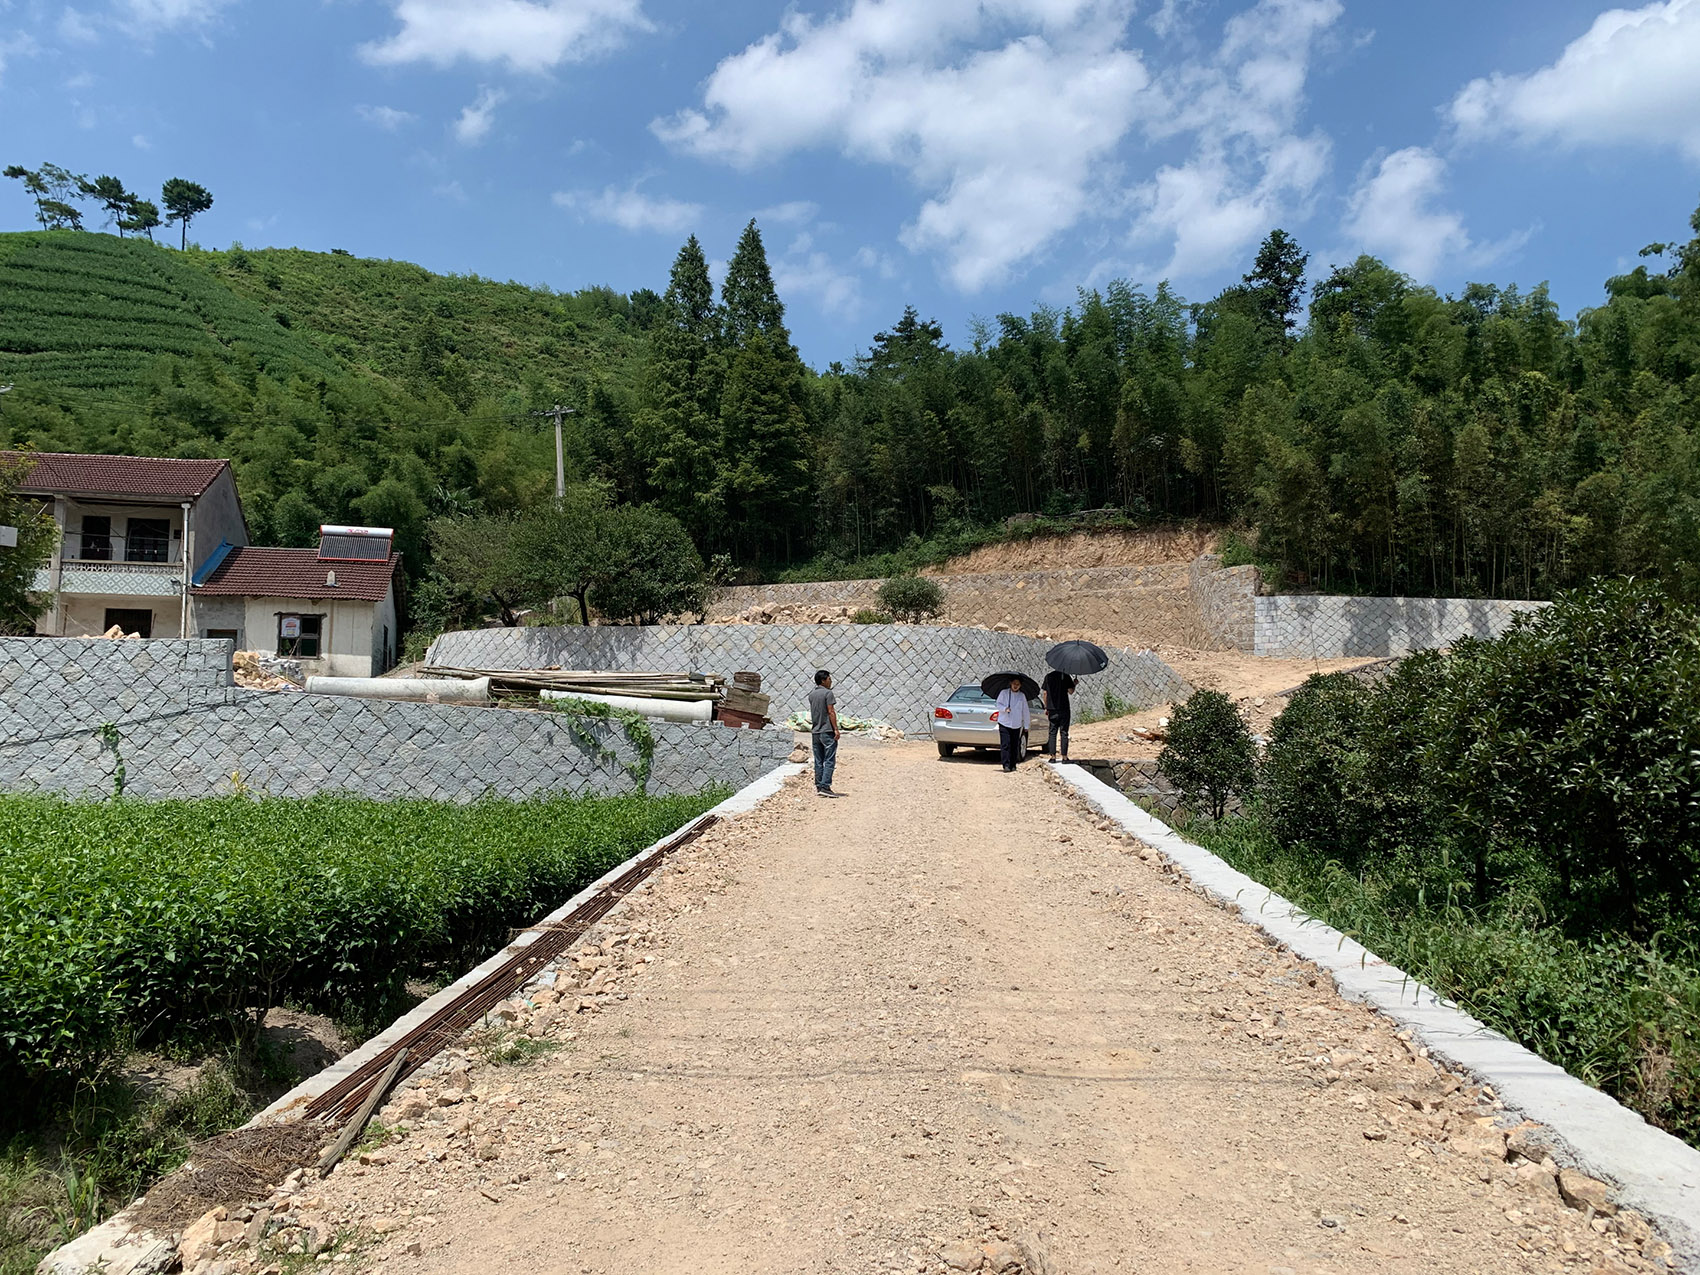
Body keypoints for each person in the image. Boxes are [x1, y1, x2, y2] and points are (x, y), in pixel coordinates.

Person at [806, 669, 842, 796]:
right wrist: (836, 729)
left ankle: (819, 785)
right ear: (823, 680)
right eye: (829, 679)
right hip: (827, 731)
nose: (830, 681)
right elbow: (831, 711)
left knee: (819, 760)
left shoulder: (811, 695)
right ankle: (825, 786)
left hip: (815, 731)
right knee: (829, 759)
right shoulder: (828, 693)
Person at [995, 675, 1031, 773]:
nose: (1015, 686)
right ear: (1010, 683)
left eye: (1018, 684)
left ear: (1020, 686)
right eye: (1014, 684)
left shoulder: (1022, 696)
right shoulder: (1004, 693)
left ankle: (1013, 764)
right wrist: (1004, 709)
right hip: (1004, 722)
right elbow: (998, 704)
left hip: (1016, 724)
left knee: (1015, 745)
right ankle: (1006, 765)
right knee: (1005, 744)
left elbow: (1025, 711)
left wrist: (1026, 725)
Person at [1041, 668, 1078, 761]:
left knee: (1052, 733)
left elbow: (1045, 693)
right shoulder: (1065, 676)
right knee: (1064, 733)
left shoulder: (1048, 677)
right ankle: (1064, 757)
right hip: (1064, 709)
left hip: (1052, 709)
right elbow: (1070, 691)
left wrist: (1046, 707)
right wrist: (1074, 684)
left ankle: (1053, 757)